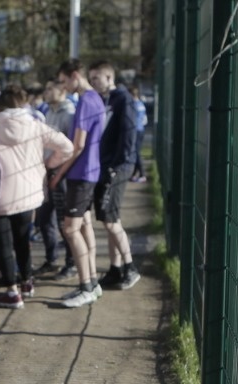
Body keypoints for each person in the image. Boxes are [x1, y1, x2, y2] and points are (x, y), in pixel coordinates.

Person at [0, 84, 73, 309]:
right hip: (29, 193)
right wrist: (48, 164)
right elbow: (67, 147)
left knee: (5, 244)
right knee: (23, 240)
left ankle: (12, 291)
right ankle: (27, 283)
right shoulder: (35, 124)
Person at [51, 60, 106, 308]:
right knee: (83, 225)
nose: (64, 86)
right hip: (88, 172)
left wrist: (58, 173)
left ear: (74, 76)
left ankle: (86, 285)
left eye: (64, 81)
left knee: (71, 229)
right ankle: (91, 283)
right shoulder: (95, 99)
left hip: (81, 173)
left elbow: (78, 145)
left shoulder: (85, 100)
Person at [88, 61, 140, 290]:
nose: (93, 83)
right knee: (108, 219)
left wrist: (118, 164)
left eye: (96, 78)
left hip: (117, 166)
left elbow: (129, 133)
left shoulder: (123, 99)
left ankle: (130, 268)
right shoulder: (102, 99)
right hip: (105, 164)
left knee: (110, 220)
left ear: (109, 77)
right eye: (90, 79)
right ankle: (115, 269)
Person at [36, 79, 77, 274]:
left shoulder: (69, 114)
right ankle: (51, 258)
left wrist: (60, 172)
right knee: (44, 218)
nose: (46, 92)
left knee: (64, 221)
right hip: (47, 172)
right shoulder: (48, 112)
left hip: (62, 175)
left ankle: (72, 262)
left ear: (62, 90)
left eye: (50, 88)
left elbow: (72, 149)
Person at [130, 87, 148, 183]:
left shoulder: (133, 105)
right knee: (136, 152)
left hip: (136, 130)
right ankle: (134, 173)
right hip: (141, 129)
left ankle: (142, 174)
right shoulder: (141, 104)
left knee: (136, 153)